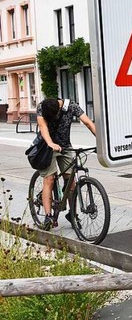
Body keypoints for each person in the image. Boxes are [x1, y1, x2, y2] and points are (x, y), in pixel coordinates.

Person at [36, 98, 96, 230]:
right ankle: (48, 216)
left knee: (71, 183)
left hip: (65, 146)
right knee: (49, 179)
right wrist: (51, 143)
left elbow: (87, 122)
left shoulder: (72, 106)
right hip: (47, 147)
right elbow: (42, 126)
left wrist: (101, 141)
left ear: (58, 109)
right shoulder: (41, 107)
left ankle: (72, 214)